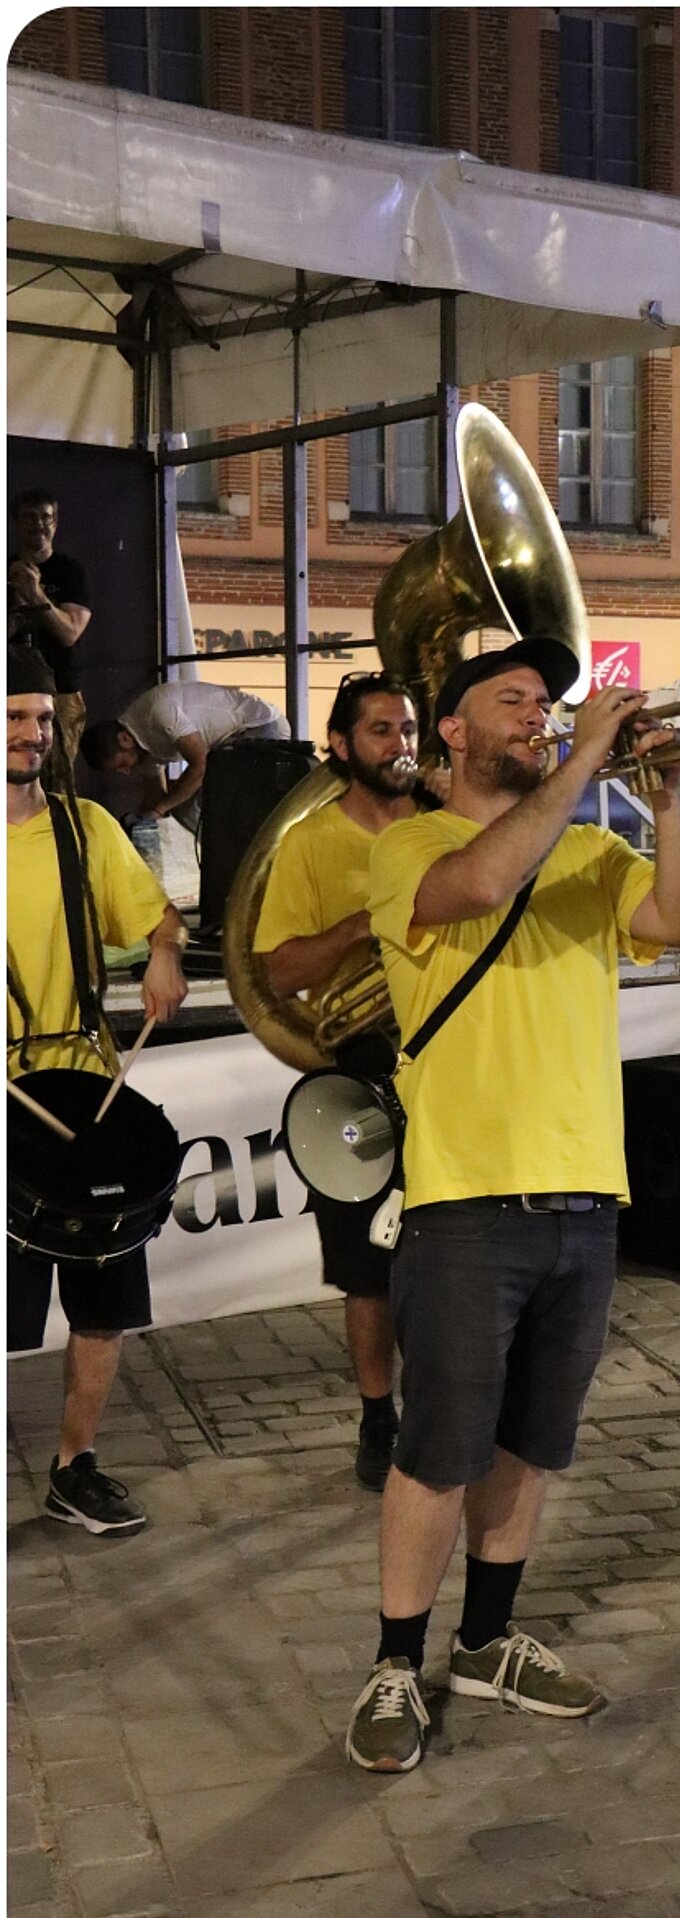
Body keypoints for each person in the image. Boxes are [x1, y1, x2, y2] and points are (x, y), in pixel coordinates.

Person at [344, 634, 680, 1772]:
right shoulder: (409, 841)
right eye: (511, 701)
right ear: (448, 732)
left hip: (584, 1193)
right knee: (437, 1445)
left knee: (530, 1440)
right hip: (465, 1195)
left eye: (545, 703)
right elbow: (483, 882)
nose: (536, 713)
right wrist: (583, 755)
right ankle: (396, 1660)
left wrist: (663, 796)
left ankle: (488, 1638)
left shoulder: (588, 843)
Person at [7, 647, 188, 1534]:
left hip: (83, 1087)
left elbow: (159, 918)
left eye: (41, 718)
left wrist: (162, 953)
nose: (32, 734)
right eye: (14, 716)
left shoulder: (86, 830)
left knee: (104, 1306)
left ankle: (74, 1465)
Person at [253, 674, 421, 1490]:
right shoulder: (311, 843)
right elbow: (278, 969)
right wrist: (360, 925)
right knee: (365, 1266)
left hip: (451, 1054)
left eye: (410, 729)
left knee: (450, 1250)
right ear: (342, 747)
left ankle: (444, 1407)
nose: (402, 744)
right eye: (382, 730)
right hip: (359, 1063)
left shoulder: (449, 828)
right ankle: (376, 1414)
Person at [81, 681, 290, 833]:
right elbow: (156, 800)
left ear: (124, 739)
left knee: (210, 801)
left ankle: (233, 860)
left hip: (259, 725)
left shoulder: (160, 712)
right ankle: (217, 861)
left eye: (122, 765)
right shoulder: (141, 750)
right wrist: (137, 824)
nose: (125, 772)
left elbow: (200, 764)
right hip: (226, 744)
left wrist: (159, 810)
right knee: (184, 808)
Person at [7, 489, 93, 759]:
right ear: (17, 523)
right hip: (11, 687)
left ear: (55, 523)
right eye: (30, 517)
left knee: (59, 777)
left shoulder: (70, 572)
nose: (39, 525)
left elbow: (70, 633)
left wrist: (36, 595)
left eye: (46, 517)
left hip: (60, 691)